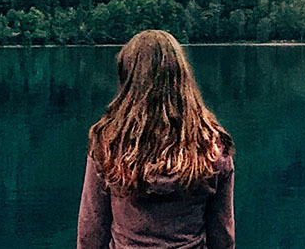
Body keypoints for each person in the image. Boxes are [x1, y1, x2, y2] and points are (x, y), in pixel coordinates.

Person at [77, 30, 235, 249]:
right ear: (182, 78)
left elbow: (91, 235)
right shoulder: (211, 147)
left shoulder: (108, 143)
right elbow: (222, 238)